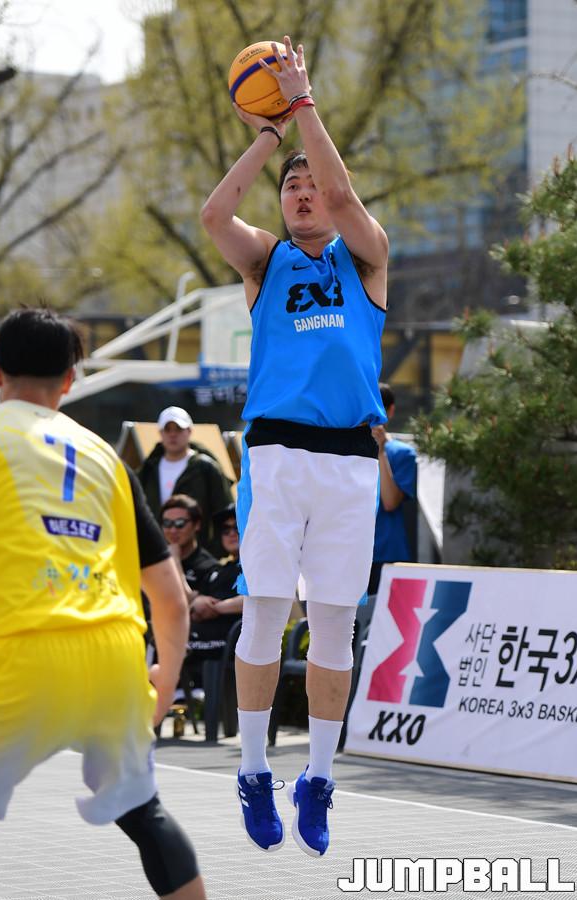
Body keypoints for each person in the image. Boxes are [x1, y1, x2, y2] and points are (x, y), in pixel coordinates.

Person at [201, 35, 388, 858]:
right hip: (277, 455)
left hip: (348, 459)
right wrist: (269, 134)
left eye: (313, 183)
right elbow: (214, 217)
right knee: (268, 613)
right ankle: (252, 770)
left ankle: (318, 777)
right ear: (279, 204)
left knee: (335, 628)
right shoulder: (265, 262)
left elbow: (345, 195)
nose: (305, 192)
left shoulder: (367, 257)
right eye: (291, 186)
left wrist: (304, 104)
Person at [0, 308, 206, 900]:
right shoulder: (107, 459)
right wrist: (165, 681)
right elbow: (170, 596)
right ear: (70, 380)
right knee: (143, 812)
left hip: (19, 651)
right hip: (112, 655)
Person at [138, 406, 233, 551]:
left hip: (197, 553)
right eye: (167, 429)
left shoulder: (206, 467)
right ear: (160, 433)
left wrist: (215, 552)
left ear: (189, 431)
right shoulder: (149, 469)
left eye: (178, 429)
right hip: (158, 552)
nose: (172, 434)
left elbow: (225, 512)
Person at [369, 383, 418, 594]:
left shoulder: (402, 454)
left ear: (390, 411)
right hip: (349, 548)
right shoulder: (346, 451)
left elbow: (390, 502)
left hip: (386, 553)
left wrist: (380, 452)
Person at [188, 504, 243, 658]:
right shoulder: (217, 570)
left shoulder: (256, 565)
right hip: (203, 634)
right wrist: (195, 606)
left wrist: (216, 608)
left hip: (234, 639)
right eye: (226, 529)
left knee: (171, 641)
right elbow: (193, 600)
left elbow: (259, 598)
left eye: (237, 527)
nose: (231, 533)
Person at [161, 494, 220, 594]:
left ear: (197, 524)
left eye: (180, 523)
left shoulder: (209, 567)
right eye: (167, 523)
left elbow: (190, 601)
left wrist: (175, 561)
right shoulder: (156, 561)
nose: (173, 530)